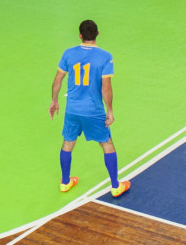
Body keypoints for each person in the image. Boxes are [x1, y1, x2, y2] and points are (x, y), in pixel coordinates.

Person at [49, 20, 130, 197]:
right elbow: (106, 88)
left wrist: (54, 100)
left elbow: (57, 81)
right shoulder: (105, 57)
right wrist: (110, 110)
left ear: (80, 35)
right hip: (93, 110)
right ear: (97, 34)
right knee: (107, 143)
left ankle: (65, 182)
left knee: (68, 142)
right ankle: (116, 185)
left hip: (72, 109)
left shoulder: (68, 53)